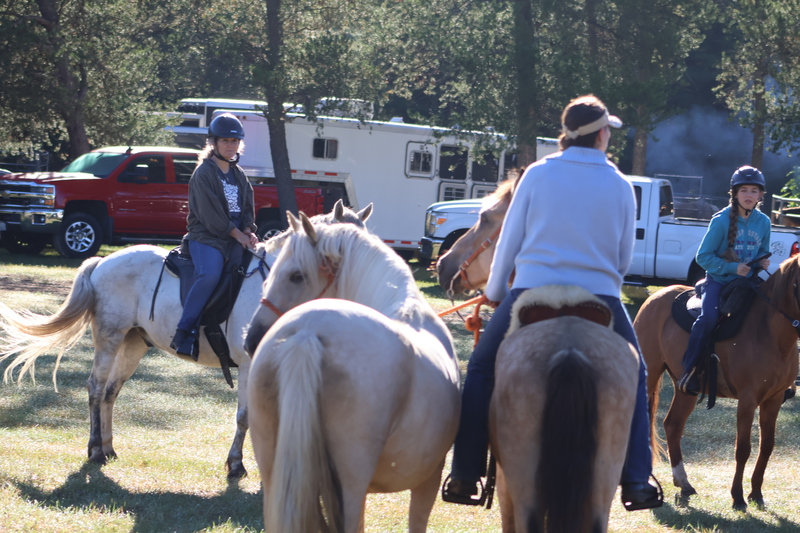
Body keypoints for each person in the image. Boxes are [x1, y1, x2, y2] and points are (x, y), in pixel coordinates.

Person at [441, 95, 662, 511]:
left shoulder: (537, 175)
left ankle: (466, 473)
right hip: (599, 294)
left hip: (531, 289)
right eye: (608, 130)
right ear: (600, 135)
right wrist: (604, 279)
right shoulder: (620, 184)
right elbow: (623, 258)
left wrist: (495, 293)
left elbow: (509, 242)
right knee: (637, 372)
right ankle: (636, 479)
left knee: (482, 369)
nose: (609, 135)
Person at [170, 113, 259, 357]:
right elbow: (211, 216)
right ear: (213, 143)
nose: (231, 146)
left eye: (235, 141)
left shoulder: (238, 174)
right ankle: (184, 331)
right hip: (206, 237)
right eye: (225, 141)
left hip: (235, 236)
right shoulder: (204, 174)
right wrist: (237, 234)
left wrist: (248, 230)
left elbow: (248, 207)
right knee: (209, 274)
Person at [677, 166, 771, 396]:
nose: (749, 195)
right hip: (718, 281)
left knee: (772, 315)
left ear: (760, 195)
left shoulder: (764, 222)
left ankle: (778, 376)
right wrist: (732, 267)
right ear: (735, 193)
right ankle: (690, 369)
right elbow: (702, 257)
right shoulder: (720, 221)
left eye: (754, 191)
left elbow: (763, 250)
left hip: (748, 282)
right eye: (744, 190)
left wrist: (762, 262)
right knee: (708, 318)